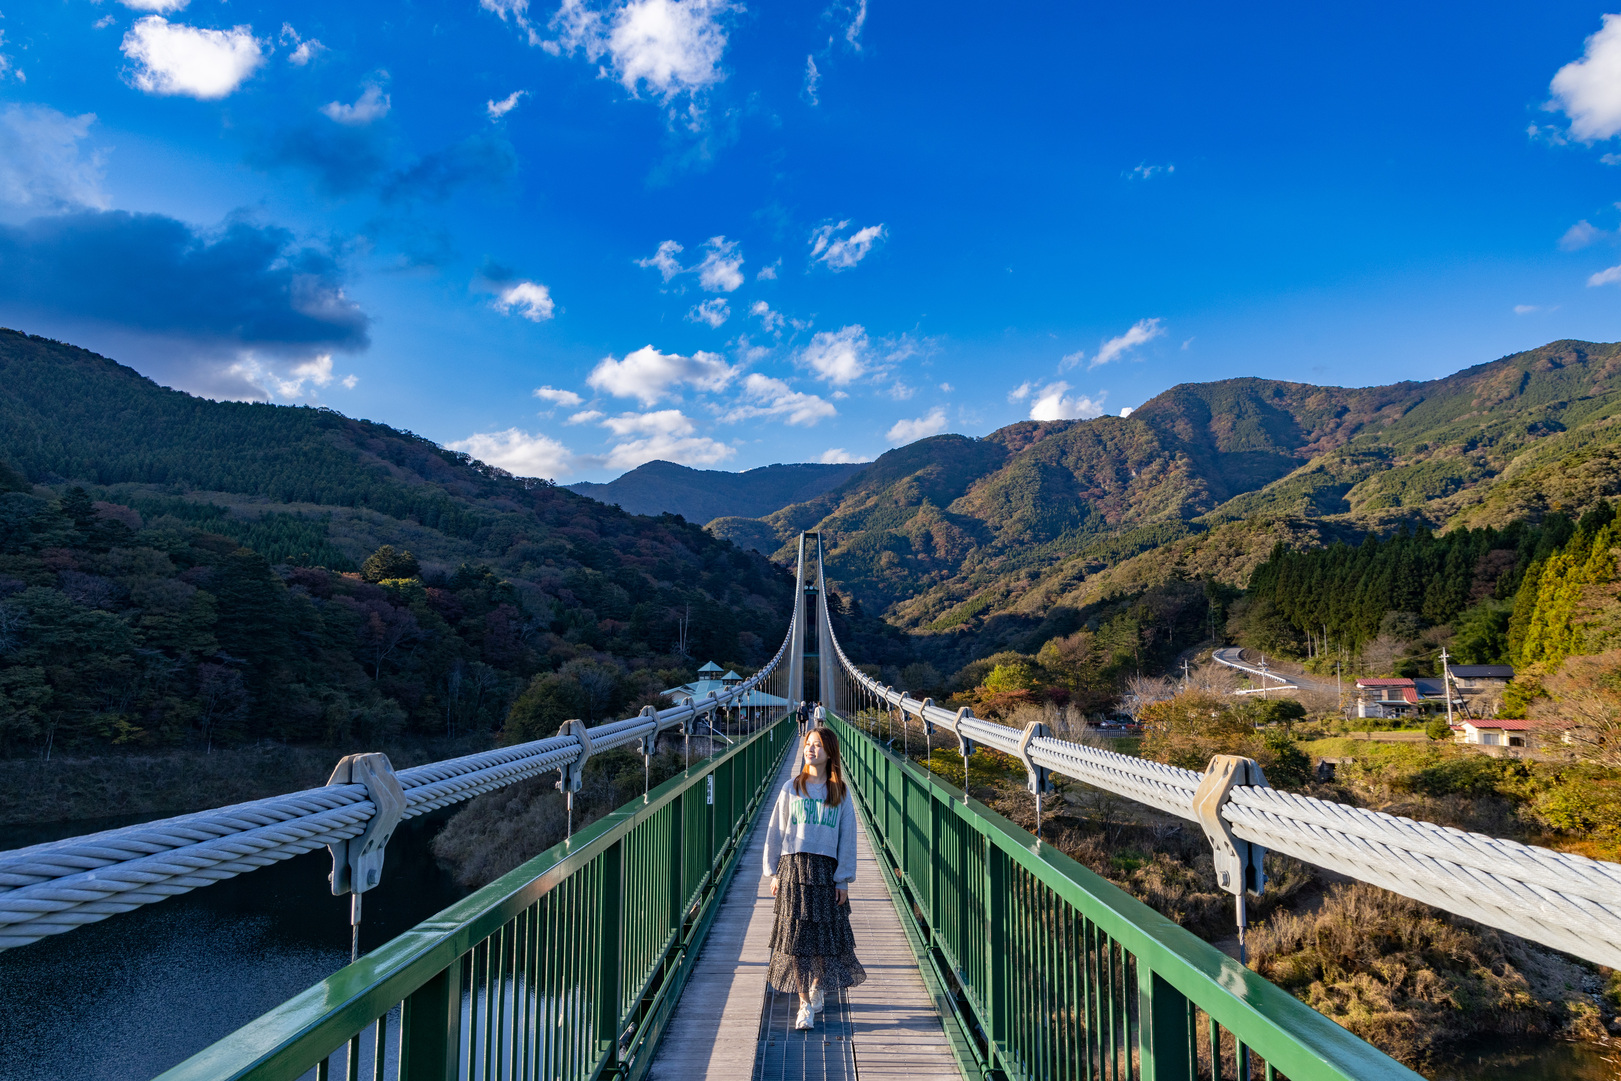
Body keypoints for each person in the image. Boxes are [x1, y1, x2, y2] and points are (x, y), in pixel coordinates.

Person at [762, 725, 865, 1031]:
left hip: (824, 873)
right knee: (794, 941)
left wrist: (842, 879)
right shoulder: (790, 788)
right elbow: (775, 832)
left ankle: (817, 986)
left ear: (830, 752)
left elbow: (848, 838)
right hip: (793, 870)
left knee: (823, 940)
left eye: (818, 745)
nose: (811, 749)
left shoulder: (840, 794)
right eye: (808, 744)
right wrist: (773, 872)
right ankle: (804, 1003)